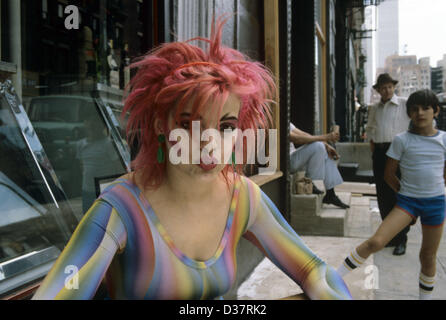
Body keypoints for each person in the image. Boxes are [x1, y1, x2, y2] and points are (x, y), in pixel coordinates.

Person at [32, 18, 352, 300]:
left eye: (226, 127)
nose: (209, 143)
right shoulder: (120, 209)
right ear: (160, 125)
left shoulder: (242, 197)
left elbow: (319, 275)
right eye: (188, 125)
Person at [337, 89, 445, 300]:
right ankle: (333, 277)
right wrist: (405, 194)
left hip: (436, 204)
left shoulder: (444, 139)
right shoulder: (401, 140)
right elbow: (388, 174)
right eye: (414, 109)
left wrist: (435, 190)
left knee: (428, 256)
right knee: (376, 242)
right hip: (407, 203)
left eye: (426, 108)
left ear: (436, 111)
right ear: (409, 114)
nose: (420, 113)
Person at [365, 73, 411, 256]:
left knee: (398, 193)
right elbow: (369, 129)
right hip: (380, 152)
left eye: (389, 87)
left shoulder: (404, 104)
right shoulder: (375, 108)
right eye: (383, 87)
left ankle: (402, 238)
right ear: (378, 90)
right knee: (383, 194)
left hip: (398, 152)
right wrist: (373, 146)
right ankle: (390, 237)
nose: (387, 90)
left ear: (394, 87)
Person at [289, 123, 350, 209]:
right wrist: (326, 137)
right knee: (319, 146)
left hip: (294, 159)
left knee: (324, 149)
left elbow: (303, 134)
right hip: (286, 163)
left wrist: (327, 145)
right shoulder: (277, 119)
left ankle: (330, 193)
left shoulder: (288, 123)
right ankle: (309, 183)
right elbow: (296, 139)